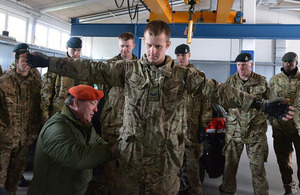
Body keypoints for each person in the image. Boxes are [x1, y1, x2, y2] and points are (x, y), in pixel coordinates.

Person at [24, 20, 294, 194]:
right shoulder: (127, 70)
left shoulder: (183, 75)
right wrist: (50, 61)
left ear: (167, 45)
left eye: (158, 46)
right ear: (145, 44)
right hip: (130, 159)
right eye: (149, 46)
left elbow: (219, 91)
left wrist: (259, 104)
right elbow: (91, 67)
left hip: (165, 163)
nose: (152, 51)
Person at [27, 85, 117, 195]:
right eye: (92, 103)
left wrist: (115, 150)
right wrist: (111, 152)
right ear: (76, 103)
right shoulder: (56, 127)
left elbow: (99, 143)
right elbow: (75, 157)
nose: (96, 109)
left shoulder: (83, 125)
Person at [219, 53, 270, 195]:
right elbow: (222, 101)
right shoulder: (229, 82)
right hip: (234, 132)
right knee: (229, 169)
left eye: (245, 65)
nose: (241, 68)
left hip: (255, 132)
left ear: (251, 65)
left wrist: (261, 117)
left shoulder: (261, 82)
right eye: (239, 65)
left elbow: (269, 102)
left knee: (258, 170)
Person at [94, 32, 139, 193]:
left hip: (132, 120)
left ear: (133, 46)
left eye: (127, 46)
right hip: (112, 118)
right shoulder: (110, 64)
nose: (124, 49)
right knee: (110, 161)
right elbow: (102, 91)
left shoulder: (140, 66)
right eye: (121, 46)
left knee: (129, 161)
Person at [0, 49, 42, 195]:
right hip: (5, 140)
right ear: (16, 61)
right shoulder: (4, 82)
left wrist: (34, 132)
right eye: (24, 60)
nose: (26, 64)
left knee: (14, 181)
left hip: (25, 140)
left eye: (29, 61)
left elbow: (38, 109)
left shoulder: (36, 83)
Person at [175, 44, 212, 194]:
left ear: (189, 55)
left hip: (192, 131)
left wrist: (204, 126)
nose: (181, 58)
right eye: (178, 55)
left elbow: (206, 101)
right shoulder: (170, 75)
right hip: (173, 132)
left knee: (193, 172)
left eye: (184, 55)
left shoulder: (199, 76)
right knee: (171, 171)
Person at [40, 37, 93, 124]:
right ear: (67, 47)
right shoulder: (56, 66)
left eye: (79, 50)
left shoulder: (85, 68)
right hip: (59, 114)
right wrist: (45, 117)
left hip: (79, 115)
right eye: (73, 50)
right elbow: (46, 92)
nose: (76, 53)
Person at [269, 52, 300, 195]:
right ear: (282, 63)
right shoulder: (274, 80)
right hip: (280, 127)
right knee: (283, 160)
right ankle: (289, 186)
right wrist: (272, 120)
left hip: (298, 127)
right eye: (285, 61)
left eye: (291, 61)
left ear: (296, 62)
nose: (288, 64)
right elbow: (268, 102)